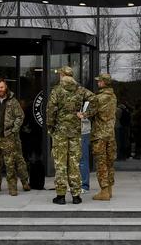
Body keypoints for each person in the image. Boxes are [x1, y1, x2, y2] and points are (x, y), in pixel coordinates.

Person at [47, 66, 92, 204]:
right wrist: (85, 114)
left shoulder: (57, 90)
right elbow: (94, 100)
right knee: (74, 163)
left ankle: (61, 196)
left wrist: (50, 127)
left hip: (60, 132)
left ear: (62, 75)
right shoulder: (80, 89)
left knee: (60, 164)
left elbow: (51, 111)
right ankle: (76, 196)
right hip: (75, 133)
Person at [87, 72, 118, 201]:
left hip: (99, 135)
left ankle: (104, 191)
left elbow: (90, 113)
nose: (98, 82)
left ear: (104, 82)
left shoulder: (98, 98)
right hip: (110, 134)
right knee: (110, 162)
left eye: (100, 81)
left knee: (101, 163)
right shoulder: (113, 96)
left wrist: (81, 114)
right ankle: (109, 189)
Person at [80, 109, 91, 193]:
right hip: (73, 131)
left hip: (84, 132)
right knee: (74, 160)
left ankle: (84, 185)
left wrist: (83, 116)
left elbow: (92, 114)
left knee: (83, 159)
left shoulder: (88, 101)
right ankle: (76, 183)